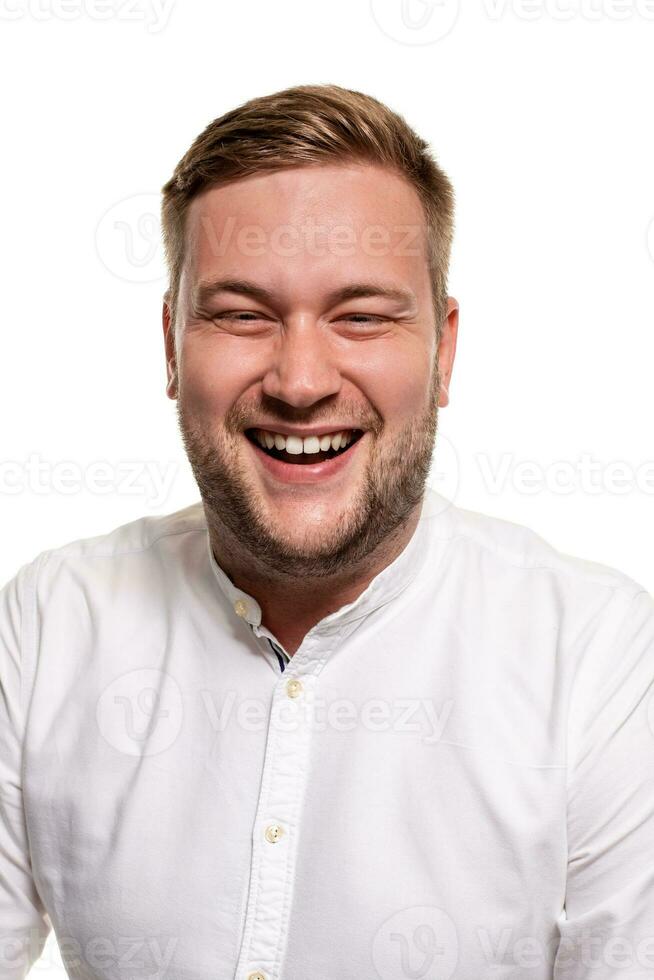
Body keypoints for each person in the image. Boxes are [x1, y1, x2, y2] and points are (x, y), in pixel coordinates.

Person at [1, 83, 653, 980]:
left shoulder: (596, 655)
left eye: (362, 317)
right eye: (241, 314)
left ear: (444, 350)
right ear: (168, 346)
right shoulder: (48, 624)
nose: (300, 380)